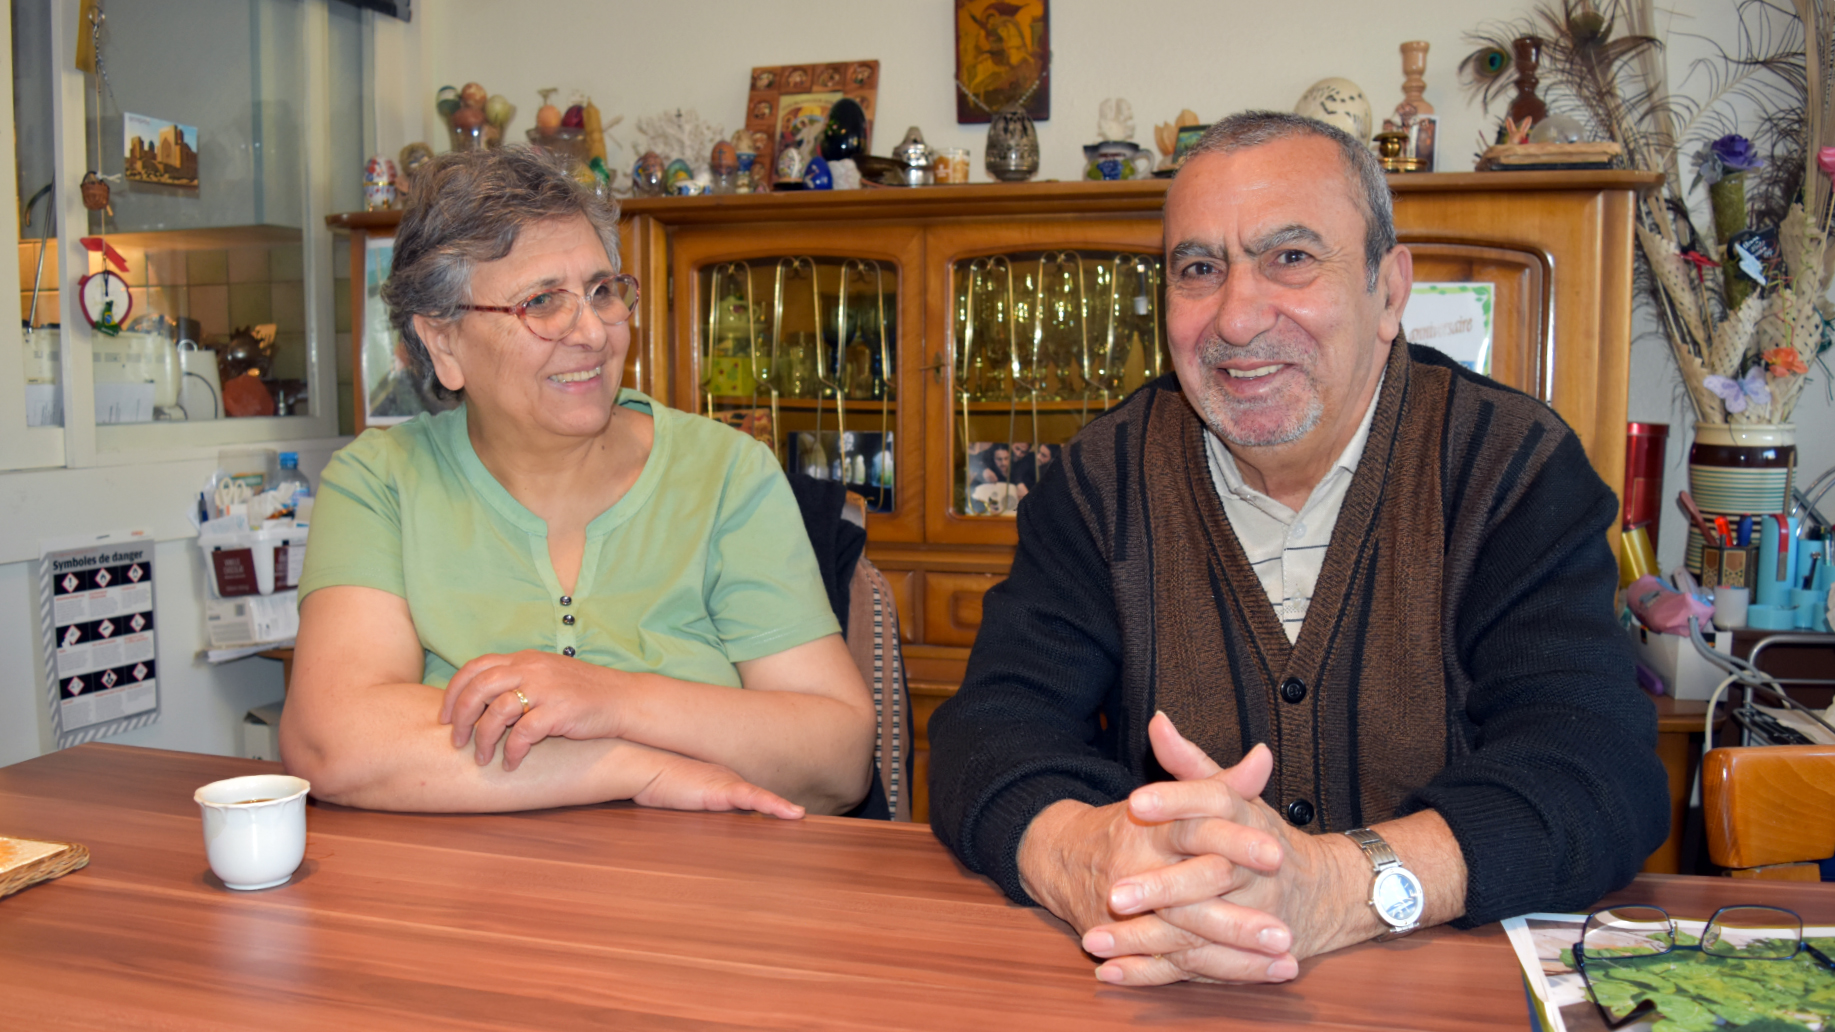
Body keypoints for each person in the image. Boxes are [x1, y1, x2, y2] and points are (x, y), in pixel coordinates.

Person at [927, 111, 1667, 986]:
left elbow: (1595, 767)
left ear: (1388, 292)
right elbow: (986, 735)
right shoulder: (1097, 483)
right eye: (1198, 270)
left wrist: (1333, 886)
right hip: (1165, 991)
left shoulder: (1508, 467)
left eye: (1290, 258)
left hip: (1439, 994)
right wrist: (1087, 859)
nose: (1237, 319)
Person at [282, 148, 874, 818]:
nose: (592, 331)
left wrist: (610, 697)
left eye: (601, 291)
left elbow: (838, 757)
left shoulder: (724, 474)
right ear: (442, 343)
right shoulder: (381, 481)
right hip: (463, 902)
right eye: (542, 302)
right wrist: (634, 769)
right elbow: (334, 742)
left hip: (702, 892)